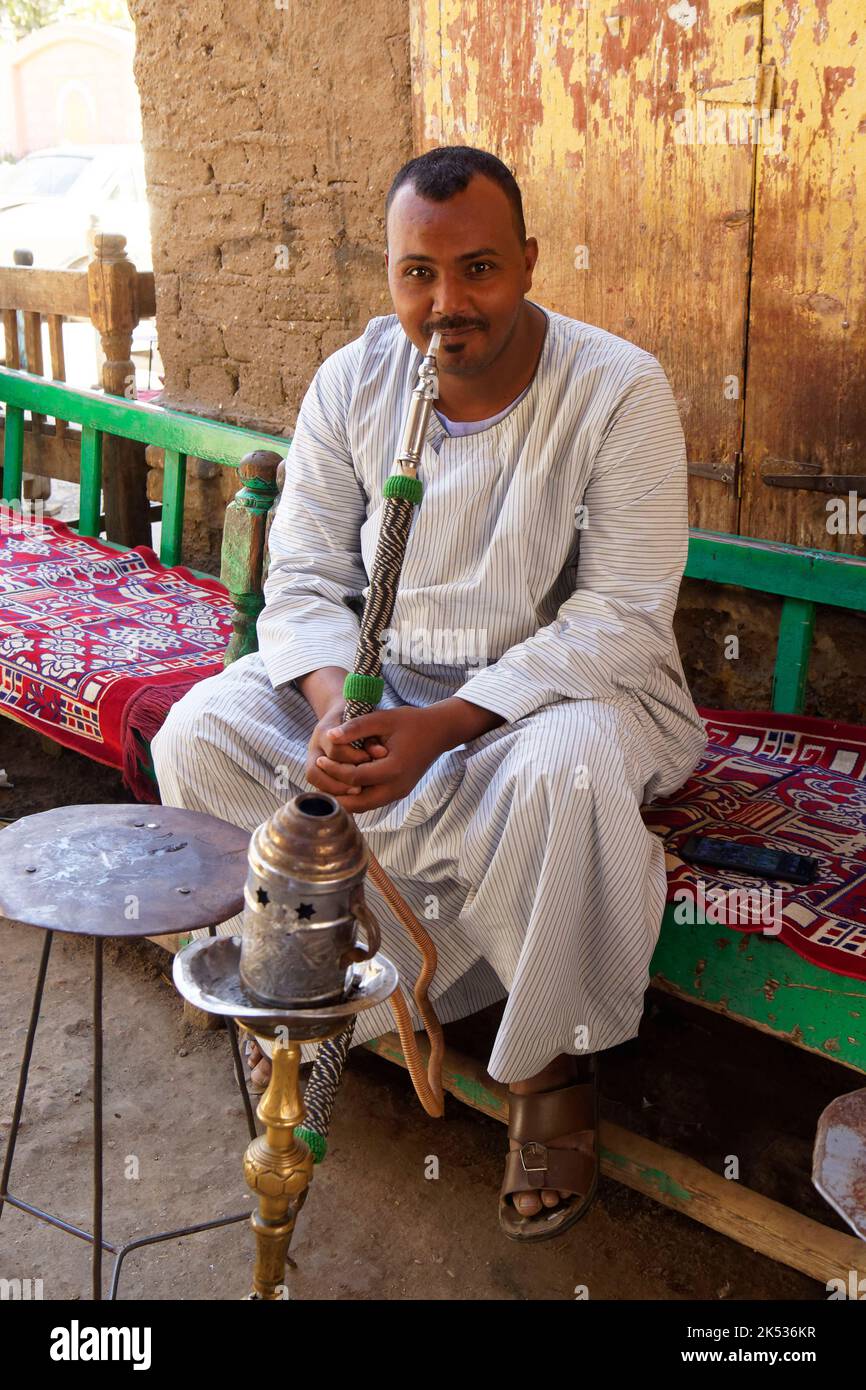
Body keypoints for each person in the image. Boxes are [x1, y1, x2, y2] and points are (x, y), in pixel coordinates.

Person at [152, 145, 707, 1241]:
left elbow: (617, 613)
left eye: (479, 270)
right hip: (377, 694)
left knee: (568, 776)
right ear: (391, 274)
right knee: (201, 729)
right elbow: (304, 577)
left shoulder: (615, 389)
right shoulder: (353, 379)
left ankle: (548, 1070)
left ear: (529, 263)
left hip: (553, 701)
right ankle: (313, 993)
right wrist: (331, 713)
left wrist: (449, 725)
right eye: (417, 274)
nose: (445, 304)